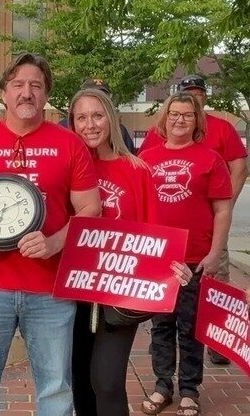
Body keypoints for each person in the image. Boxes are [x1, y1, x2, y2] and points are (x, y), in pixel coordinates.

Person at [0, 52, 101, 416]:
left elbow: (90, 208)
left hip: (49, 289)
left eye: (35, 85)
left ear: (46, 95)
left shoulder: (69, 144)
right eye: (18, 85)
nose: (26, 92)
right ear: (3, 93)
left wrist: (55, 242)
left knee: (56, 390)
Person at [67, 88, 192, 416]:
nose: (90, 125)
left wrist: (174, 267)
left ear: (111, 118)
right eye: (82, 117)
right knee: (79, 379)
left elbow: (155, 235)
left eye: (98, 115)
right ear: (72, 123)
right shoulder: (66, 167)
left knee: (107, 381)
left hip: (120, 293)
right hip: (73, 289)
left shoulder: (137, 170)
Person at [139, 75, 248, 366]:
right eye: (175, 114)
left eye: (188, 114)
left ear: (198, 116)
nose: (180, 119)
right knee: (162, 321)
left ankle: (202, 366)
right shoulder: (148, 155)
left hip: (199, 251)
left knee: (196, 316)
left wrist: (216, 244)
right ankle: (162, 378)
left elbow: (236, 175)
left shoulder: (214, 147)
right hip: (160, 252)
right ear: (166, 117)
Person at [57, 78, 136, 153]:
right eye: (92, 94)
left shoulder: (120, 131)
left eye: (103, 95)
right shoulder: (63, 127)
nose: (90, 125)